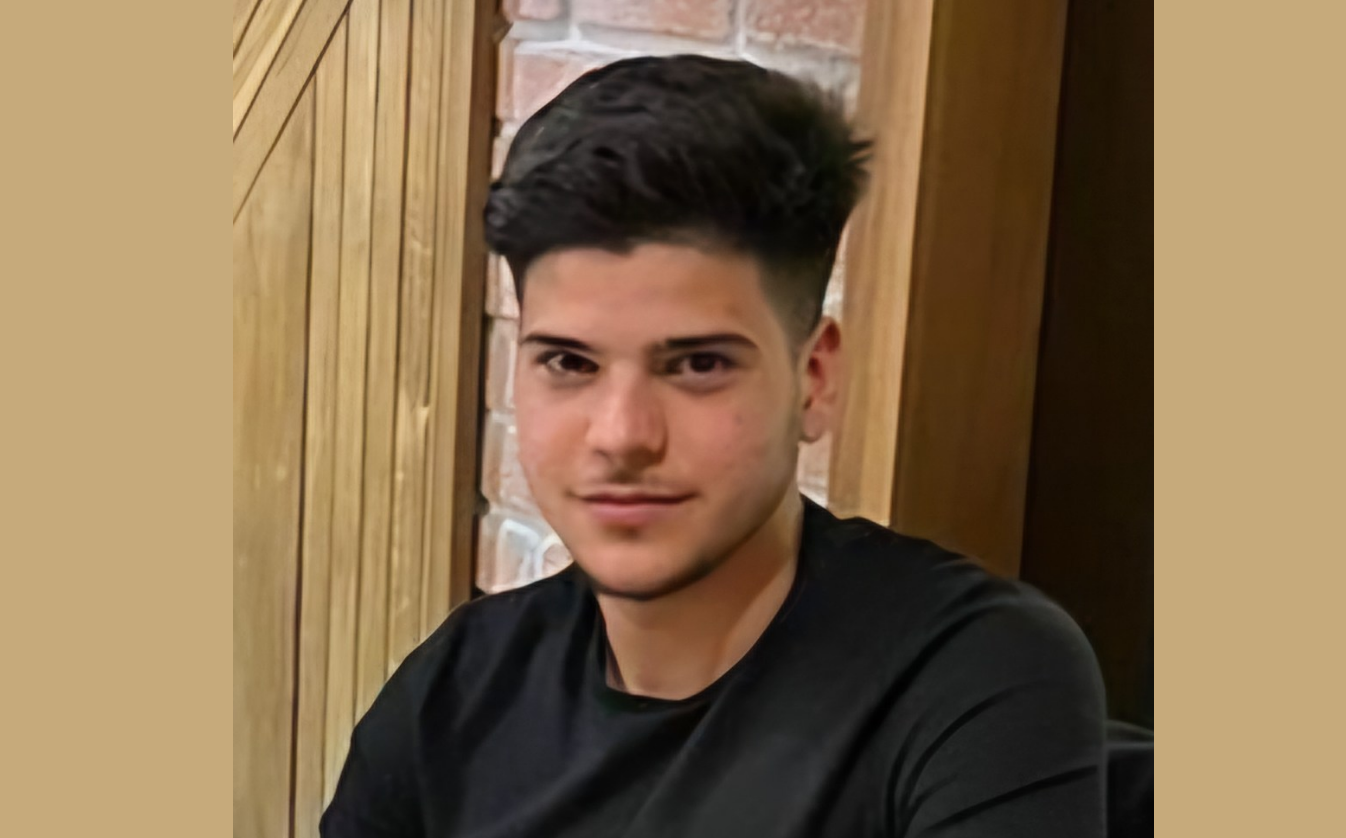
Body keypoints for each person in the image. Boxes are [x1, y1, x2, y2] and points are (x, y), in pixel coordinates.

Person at [321, 54, 1106, 838]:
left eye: (698, 365)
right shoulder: (456, 692)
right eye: (569, 363)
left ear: (814, 379)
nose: (622, 436)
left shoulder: (971, 677)